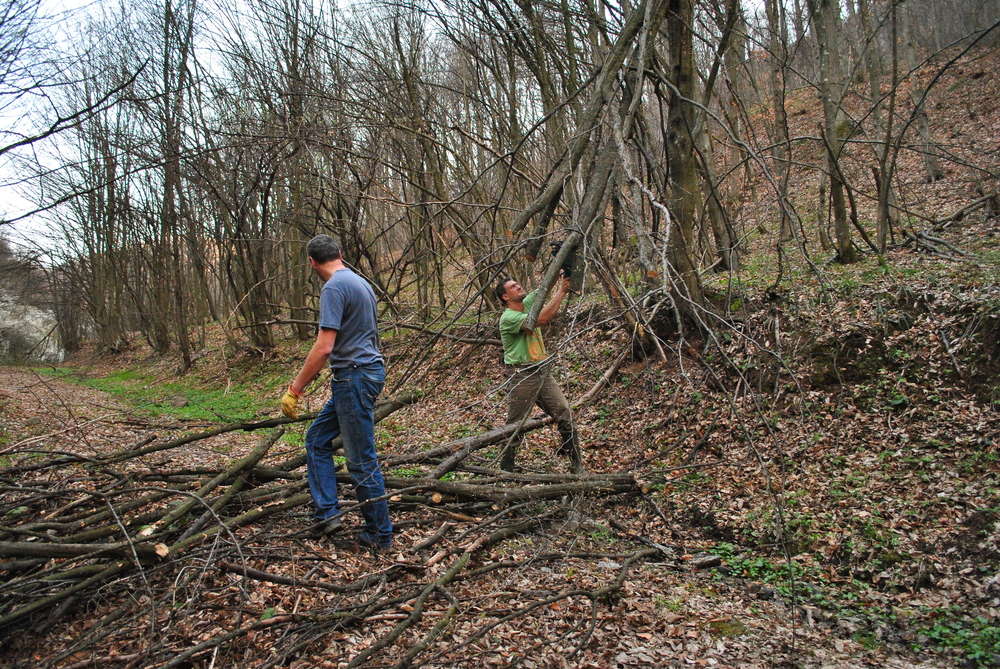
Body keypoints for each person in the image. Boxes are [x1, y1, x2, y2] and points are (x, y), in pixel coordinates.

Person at [281, 235, 392, 550]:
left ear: (312, 262)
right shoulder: (359, 282)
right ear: (340, 255)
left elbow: (324, 346)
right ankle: (328, 513)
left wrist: (295, 388)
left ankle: (378, 536)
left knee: (360, 459)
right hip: (363, 373)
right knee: (317, 440)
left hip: (354, 377)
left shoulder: (333, 288)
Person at [495, 273, 584, 475]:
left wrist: (562, 267)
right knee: (516, 423)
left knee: (564, 412)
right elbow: (542, 319)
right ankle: (506, 467)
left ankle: (577, 466)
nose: (518, 286)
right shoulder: (509, 317)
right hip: (521, 374)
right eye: (513, 286)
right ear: (505, 297)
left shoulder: (526, 303)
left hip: (542, 370)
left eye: (517, 283)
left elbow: (545, 285)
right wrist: (562, 291)